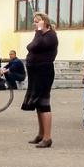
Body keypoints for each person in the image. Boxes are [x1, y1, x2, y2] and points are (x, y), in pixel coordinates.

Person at [22, 12, 58, 148]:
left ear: (45, 22)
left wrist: (38, 31)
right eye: (34, 21)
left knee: (44, 104)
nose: (35, 24)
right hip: (35, 73)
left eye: (37, 21)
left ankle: (47, 137)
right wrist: (38, 32)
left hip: (44, 73)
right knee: (38, 104)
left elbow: (34, 46)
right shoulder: (42, 35)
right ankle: (41, 133)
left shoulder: (50, 36)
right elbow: (30, 47)